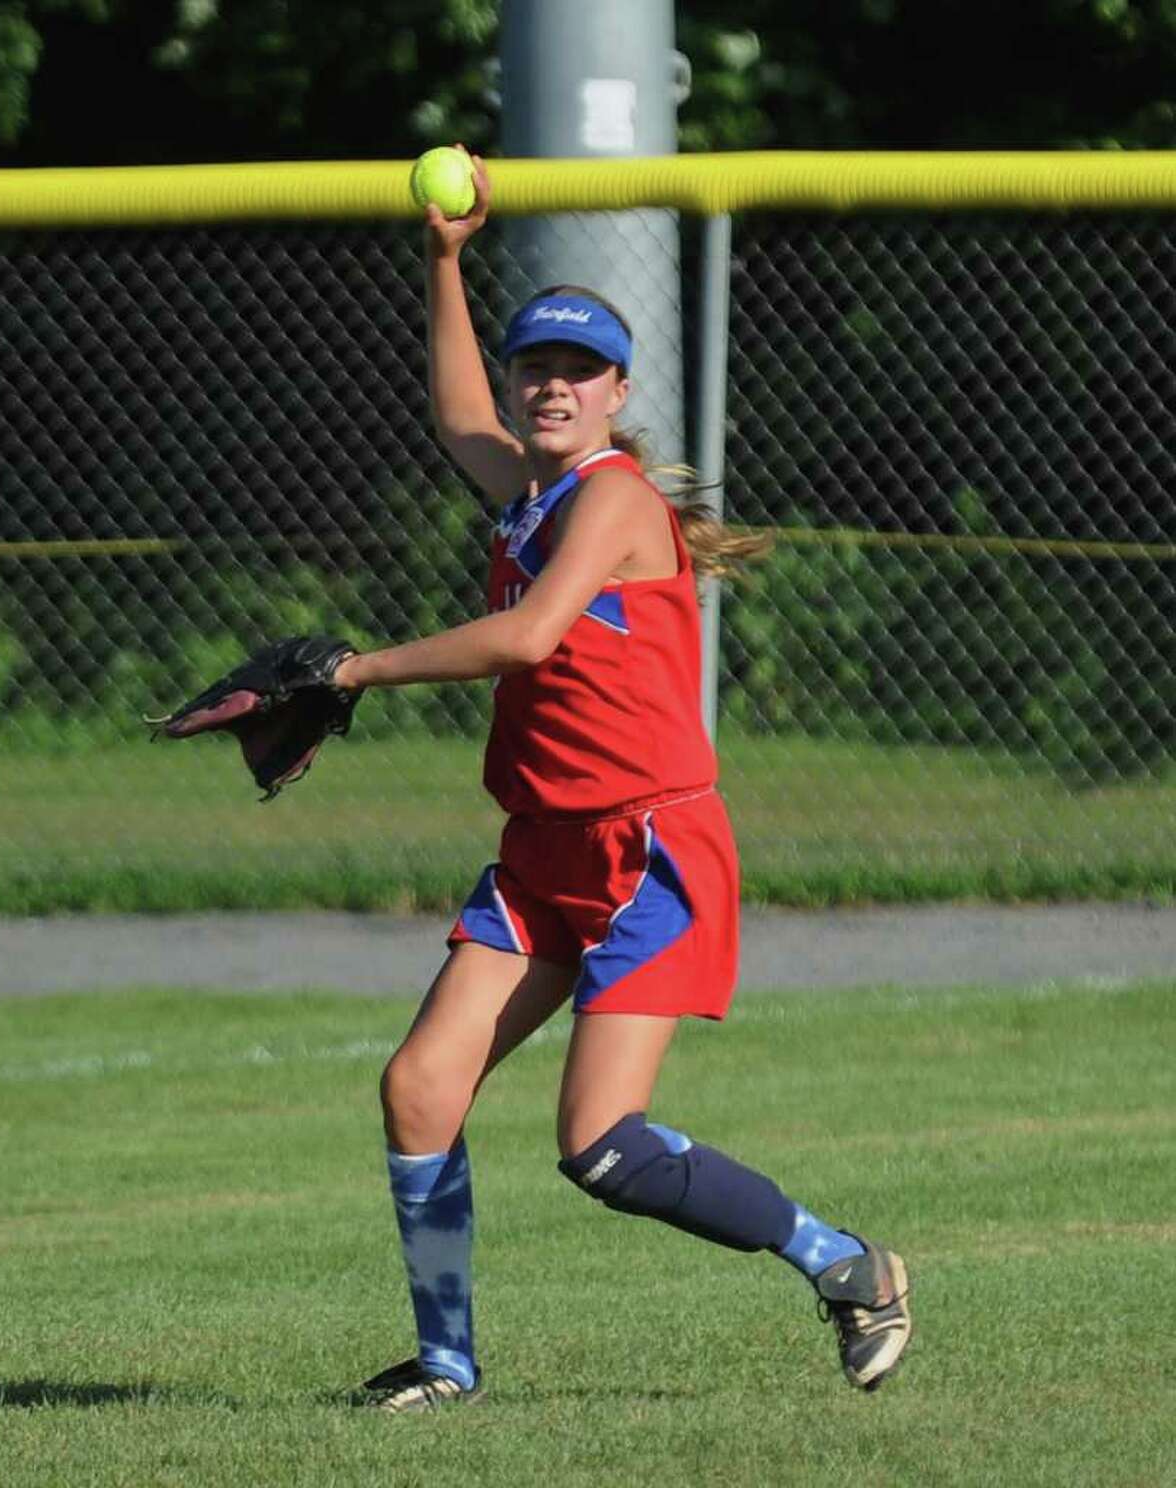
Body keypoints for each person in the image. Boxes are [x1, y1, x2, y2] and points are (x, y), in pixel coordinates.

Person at [332, 148, 911, 1413]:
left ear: (616, 395)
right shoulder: (527, 489)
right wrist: (443, 258)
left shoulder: (613, 498)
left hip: (650, 853)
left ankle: (849, 1266)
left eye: (576, 371)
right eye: (537, 364)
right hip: (545, 849)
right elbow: (453, 420)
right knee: (420, 1085)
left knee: (599, 1145)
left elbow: (531, 635)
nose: (550, 386)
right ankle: (445, 1364)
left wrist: (359, 670)